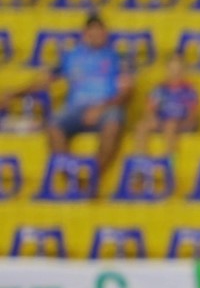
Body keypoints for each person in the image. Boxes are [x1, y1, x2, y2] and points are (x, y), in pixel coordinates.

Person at [2, 13, 133, 181]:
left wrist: (101, 108)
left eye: (101, 32)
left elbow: (126, 93)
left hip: (107, 108)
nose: (98, 36)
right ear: (85, 33)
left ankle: (92, 179)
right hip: (75, 109)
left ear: (106, 33)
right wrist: (14, 93)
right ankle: (71, 179)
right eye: (93, 32)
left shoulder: (118, 58)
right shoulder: (71, 56)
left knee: (114, 124)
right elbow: (42, 82)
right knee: (53, 125)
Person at [134, 53, 198, 158]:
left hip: (181, 122)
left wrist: (187, 123)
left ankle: (169, 158)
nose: (174, 74)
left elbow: (193, 112)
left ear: (184, 72)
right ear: (166, 71)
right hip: (161, 120)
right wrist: (152, 117)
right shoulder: (160, 89)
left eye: (178, 71)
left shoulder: (188, 90)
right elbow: (149, 108)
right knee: (141, 126)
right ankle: (141, 157)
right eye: (172, 70)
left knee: (170, 125)